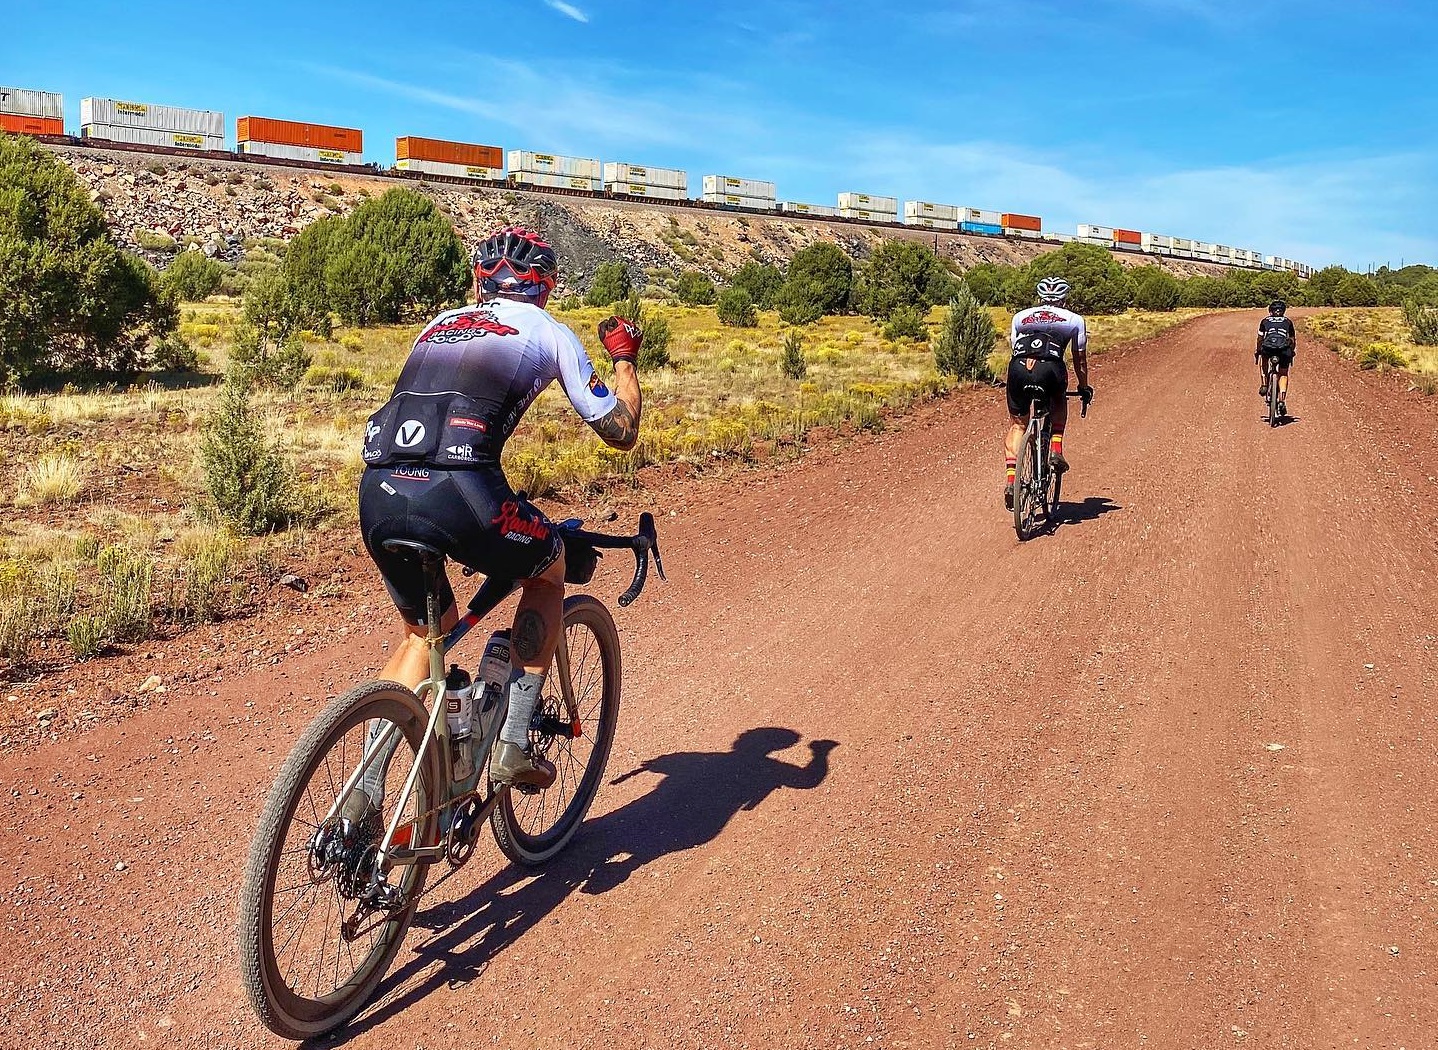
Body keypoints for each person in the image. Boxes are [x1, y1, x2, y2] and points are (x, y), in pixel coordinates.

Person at [357, 227, 643, 789]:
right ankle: (513, 742)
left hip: (379, 488)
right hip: (463, 491)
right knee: (549, 566)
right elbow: (620, 431)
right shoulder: (549, 331)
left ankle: (359, 801)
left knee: (425, 636)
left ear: (479, 281)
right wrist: (625, 360)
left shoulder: (436, 324)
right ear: (547, 286)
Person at [1004, 277, 1093, 508]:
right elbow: (1079, 359)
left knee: (1018, 426)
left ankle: (1012, 481)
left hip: (1018, 368)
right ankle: (1055, 448)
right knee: (1059, 401)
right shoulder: (1074, 319)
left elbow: (1014, 347)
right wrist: (1083, 387)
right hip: (1051, 368)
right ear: (1064, 299)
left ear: (1040, 296)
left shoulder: (1020, 317)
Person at [1255, 299, 1296, 416]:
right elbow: (1292, 340)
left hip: (1268, 348)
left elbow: (1260, 339)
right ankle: (1282, 400)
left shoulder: (1265, 321)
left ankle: (1264, 384)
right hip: (1284, 349)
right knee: (1283, 373)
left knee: (1263, 361)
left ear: (1270, 311)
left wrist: (1258, 351)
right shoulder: (1288, 322)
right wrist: (1291, 351)